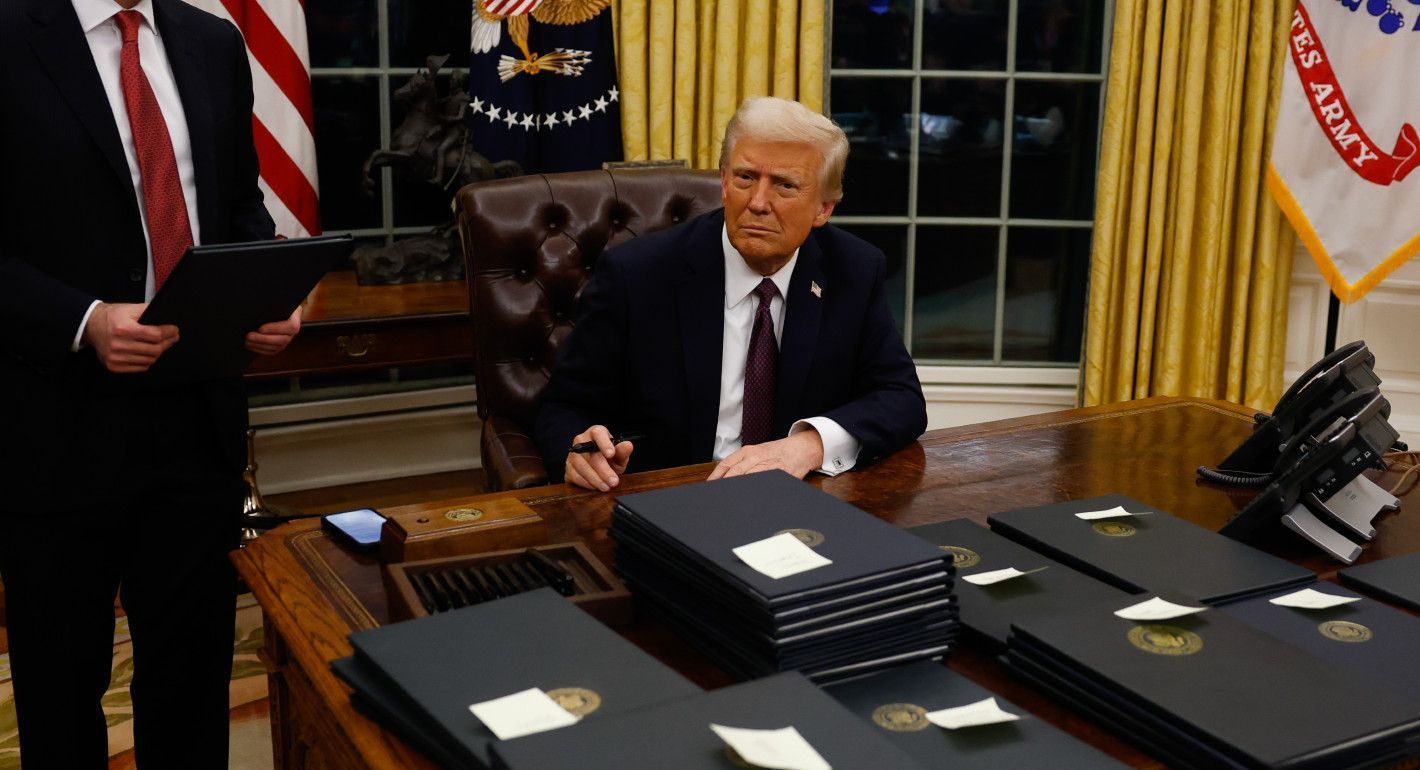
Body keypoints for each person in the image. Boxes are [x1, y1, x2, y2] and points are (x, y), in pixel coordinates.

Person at [0, 0, 300, 766]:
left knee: (191, 682)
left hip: (197, 418)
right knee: (60, 692)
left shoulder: (212, 41)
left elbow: (236, 207)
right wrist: (84, 319)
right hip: (54, 424)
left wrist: (264, 294)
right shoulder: (11, 33)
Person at [535, 96, 927, 491]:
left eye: (785, 185)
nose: (757, 203)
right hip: (670, 497)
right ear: (723, 183)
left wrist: (807, 445)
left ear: (823, 209)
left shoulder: (854, 271)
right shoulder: (637, 275)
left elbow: (902, 399)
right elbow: (562, 408)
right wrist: (576, 452)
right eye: (745, 178)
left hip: (797, 497)